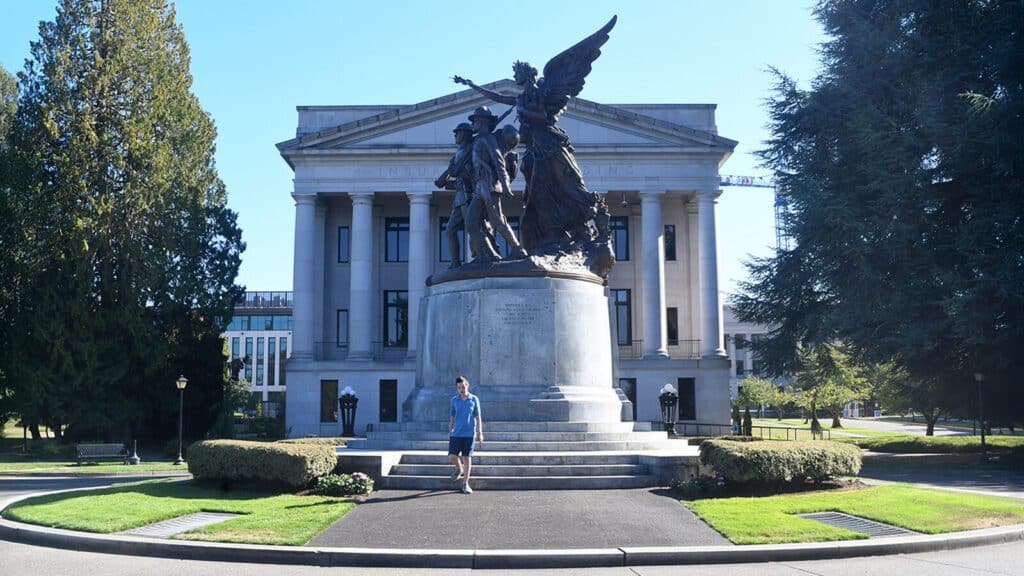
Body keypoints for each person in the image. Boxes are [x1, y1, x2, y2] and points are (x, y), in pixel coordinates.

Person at [465, 106, 527, 262]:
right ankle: (483, 255)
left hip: (489, 185)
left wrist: (506, 185)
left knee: (498, 221)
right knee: (471, 221)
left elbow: (499, 161)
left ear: (482, 121)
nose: (473, 124)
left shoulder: (488, 139)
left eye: (475, 120)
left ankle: (518, 249)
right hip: (480, 186)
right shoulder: (479, 138)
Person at [435, 122, 496, 266]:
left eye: (458, 132)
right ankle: (456, 263)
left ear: (465, 134)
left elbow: (475, 174)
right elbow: (451, 172)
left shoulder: (473, 151)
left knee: (473, 227)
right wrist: (444, 180)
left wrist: (461, 175)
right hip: (460, 197)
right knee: (450, 230)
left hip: (470, 195)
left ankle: (483, 256)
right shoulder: (459, 154)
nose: (455, 135)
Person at [448, 375, 483, 494]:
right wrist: (450, 429)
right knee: (452, 456)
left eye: (463, 387)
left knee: (467, 458)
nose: (461, 389)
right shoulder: (454, 400)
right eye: (459, 388)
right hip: (456, 433)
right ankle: (459, 468)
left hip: (469, 433)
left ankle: (465, 484)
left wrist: (480, 432)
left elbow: (478, 417)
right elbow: (452, 416)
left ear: (467, 385)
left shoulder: (474, 399)